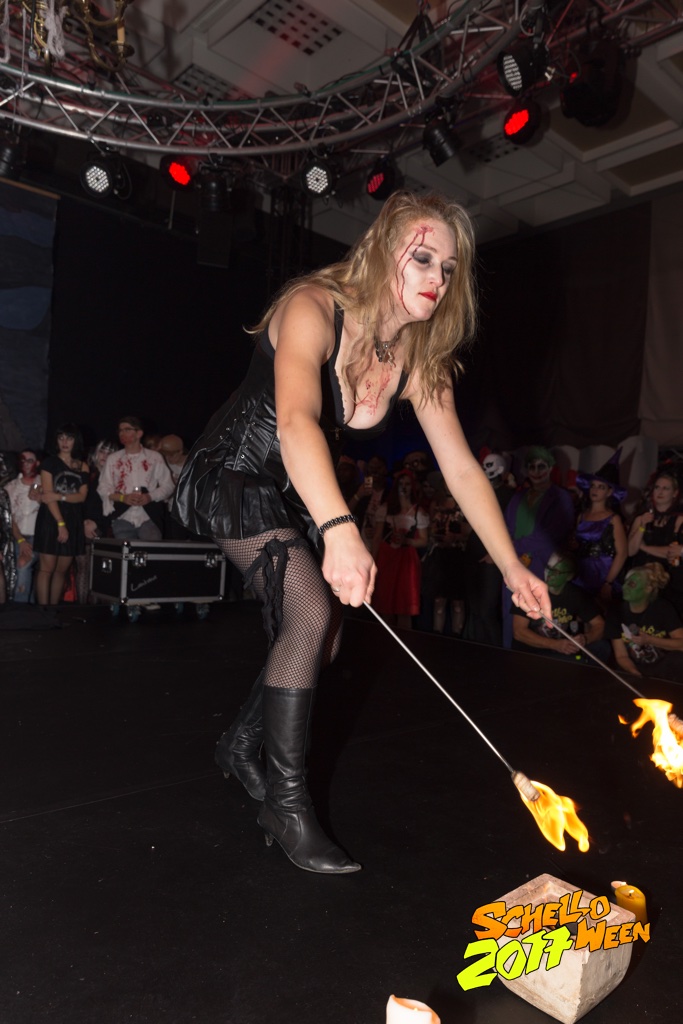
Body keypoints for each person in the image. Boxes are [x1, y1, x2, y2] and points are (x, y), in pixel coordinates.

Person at [173, 190, 551, 875]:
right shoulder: (313, 306)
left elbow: (461, 469)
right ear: (381, 250)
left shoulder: (417, 355)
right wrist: (340, 529)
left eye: (449, 267)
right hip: (233, 472)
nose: (438, 278)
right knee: (310, 610)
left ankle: (240, 743)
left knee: (328, 634)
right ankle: (285, 805)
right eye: (423, 258)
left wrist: (511, 566)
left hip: (294, 488)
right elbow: (295, 422)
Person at [502, 446, 575, 647]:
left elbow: (550, 535)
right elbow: (505, 527)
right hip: (514, 564)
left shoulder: (561, 497)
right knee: (510, 616)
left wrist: (514, 547)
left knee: (537, 621)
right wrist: (507, 552)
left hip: (543, 566)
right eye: (531, 467)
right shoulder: (518, 497)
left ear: (550, 468)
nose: (536, 471)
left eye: (541, 466)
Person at [512, 552, 606, 664]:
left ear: (569, 576)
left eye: (556, 572)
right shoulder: (532, 590)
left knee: (602, 647)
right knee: (574, 661)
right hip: (535, 650)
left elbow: (599, 624)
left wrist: (585, 639)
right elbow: (519, 632)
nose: (549, 574)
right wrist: (555, 645)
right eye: (548, 568)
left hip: (564, 648)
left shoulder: (576, 594)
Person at [462, 451, 515, 646]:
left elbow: (512, 527)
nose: (485, 469)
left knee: (486, 611)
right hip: (472, 555)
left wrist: (495, 555)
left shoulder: (509, 495)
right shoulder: (477, 491)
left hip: (492, 559)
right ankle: (478, 653)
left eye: (490, 465)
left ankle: (497, 654)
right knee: (475, 611)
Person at [33, 425, 89, 606]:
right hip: (51, 518)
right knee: (46, 569)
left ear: (75, 441)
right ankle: (43, 610)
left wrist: (60, 496)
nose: (65, 442)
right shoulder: (49, 463)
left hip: (73, 518)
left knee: (61, 570)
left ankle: (53, 610)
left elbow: (81, 496)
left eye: (69, 438)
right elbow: (47, 497)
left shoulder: (82, 465)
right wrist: (60, 523)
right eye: (61, 438)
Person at [98, 416, 175, 541]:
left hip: (148, 517)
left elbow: (169, 485)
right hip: (123, 517)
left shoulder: (154, 457)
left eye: (127, 429)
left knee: (151, 551)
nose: (122, 433)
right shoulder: (113, 459)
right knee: (125, 552)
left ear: (139, 433)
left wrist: (150, 496)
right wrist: (123, 498)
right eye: (120, 430)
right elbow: (103, 487)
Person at [605, 562, 683, 681]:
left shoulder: (663, 608)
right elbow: (621, 656)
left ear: (648, 589)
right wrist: (635, 673)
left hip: (663, 667)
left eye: (631, 584)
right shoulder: (616, 610)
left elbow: (681, 644)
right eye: (625, 582)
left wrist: (650, 640)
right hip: (634, 667)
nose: (624, 587)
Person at [372, 469, 429, 630]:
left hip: (406, 560)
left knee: (404, 606)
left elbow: (424, 540)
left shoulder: (418, 512)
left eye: (407, 484)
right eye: (401, 484)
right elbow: (377, 537)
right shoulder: (385, 508)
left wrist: (407, 540)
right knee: (386, 604)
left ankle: (404, 642)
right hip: (387, 557)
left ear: (413, 486)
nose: (404, 487)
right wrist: (373, 561)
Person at [573, 452, 628, 607]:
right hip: (582, 571)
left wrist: (608, 582)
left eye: (601, 487)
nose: (595, 490)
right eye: (593, 486)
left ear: (609, 492)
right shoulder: (581, 516)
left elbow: (622, 553)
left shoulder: (614, 519)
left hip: (604, 571)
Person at [628, 471, 683, 616]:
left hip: (668, 580)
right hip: (643, 577)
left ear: (675, 493)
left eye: (666, 488)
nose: (660, 492)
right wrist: (642, 526)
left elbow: (672, 551)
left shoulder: (679, 520)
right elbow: (631, 551)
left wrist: (644, 547)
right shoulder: (641, 518)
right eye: (657, 487)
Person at [4, 449, 42, 602]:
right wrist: (20, 540)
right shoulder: (11, 487)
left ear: (37, 463)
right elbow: (9, 519)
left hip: (39, 537)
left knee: (23, 564)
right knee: (21, 567)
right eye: (23, 460)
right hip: (17, 537)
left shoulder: (44, 483)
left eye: (30, 461)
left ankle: (21, 607)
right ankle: (25, 607)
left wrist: (42, 498)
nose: (26, 464)